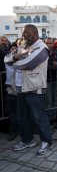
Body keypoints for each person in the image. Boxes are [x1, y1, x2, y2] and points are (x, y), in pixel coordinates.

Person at [4, 24, 52, 155]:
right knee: (22, 116)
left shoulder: (42, 48)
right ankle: (27, 140)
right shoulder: (22, 46)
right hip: (19, 87)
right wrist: (16, 57)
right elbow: (6, 58)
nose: (24, 35)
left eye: (27, 33)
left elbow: (28, 63)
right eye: (23, 33)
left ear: (35, 33)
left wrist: (14, 60)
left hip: (34, 88)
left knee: (39, 117)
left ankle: (46, 141)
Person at [44, 37, 57, 122]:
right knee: (48, 99)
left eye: (50, 43)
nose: (49, 45)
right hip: (46, 80)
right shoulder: (42, 53)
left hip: (55, 78)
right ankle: (49, 117)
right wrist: (51, 66)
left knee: (55, 98)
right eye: (47, 43)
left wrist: (53, 66)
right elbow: (42, 66)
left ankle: (54, 116)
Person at [5, 43, 19, 141]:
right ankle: (13, 130)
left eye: (16, 48)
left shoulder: (23, 59)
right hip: (11, 88)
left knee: (25, 111)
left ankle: (29, 129)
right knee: (13, 111)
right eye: (12, 48)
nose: (14, 50)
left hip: (21, 88)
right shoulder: (8, 58)